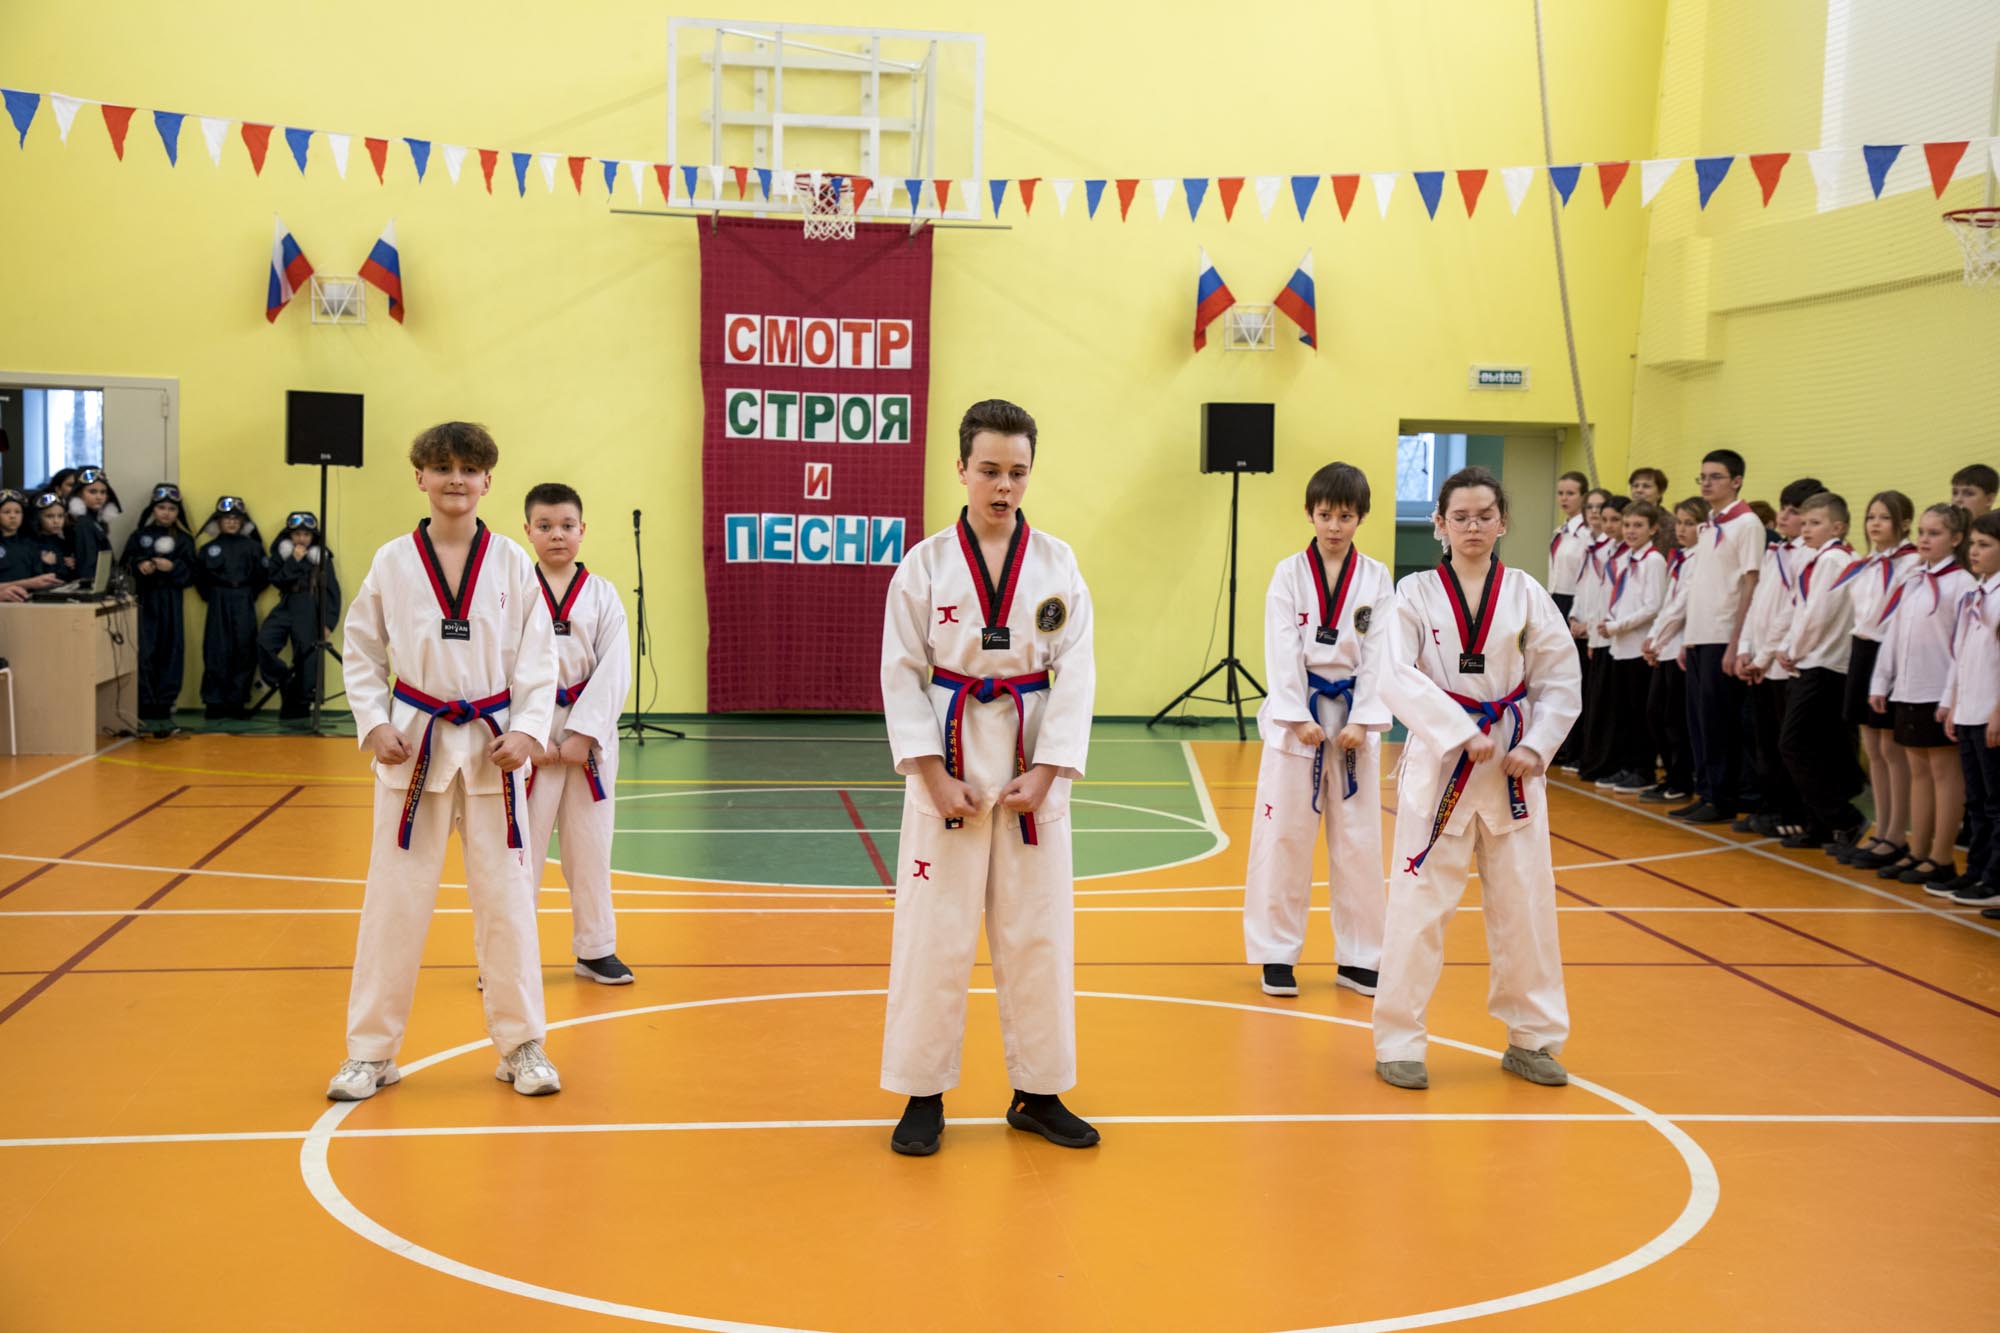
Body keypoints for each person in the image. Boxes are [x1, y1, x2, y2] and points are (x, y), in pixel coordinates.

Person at [878, 398, 1097, 1156]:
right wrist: (932, 775)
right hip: (949, 755)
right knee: (933, 931)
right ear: (962, 469)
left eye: (1018, 472)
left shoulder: (1057, 563)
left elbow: (1077, 672)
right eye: (990, 470)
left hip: (1032, 761)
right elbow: (900, 673)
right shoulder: (925, 565)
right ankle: (922, 1092)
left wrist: (1050, 771)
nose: (1004, 486)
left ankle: (1039, 1091)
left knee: (1038, 928)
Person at [328, 420, 560, 1102]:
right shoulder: (392, 561)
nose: (455, 479)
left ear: (488, 480)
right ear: (420, 477)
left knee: (508, 903)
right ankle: (371, 1052)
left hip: (493, 749)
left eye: (468, 469)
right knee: (393, 902)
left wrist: (529, 730)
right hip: (415, 745)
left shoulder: (512, 562)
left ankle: (522, 1045)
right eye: (442, 467)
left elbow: (538, 659)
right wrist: (374, 722)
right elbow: (361, 650)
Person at [1374, 466, 1582, 1091]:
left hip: (1511, 767)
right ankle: (1399, 1041)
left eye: (1485, 516)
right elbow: (1394, 674)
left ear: (1503, 522)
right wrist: (1457, 731)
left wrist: (1538, 745)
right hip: (1442, 769)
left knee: (1526, 909)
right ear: (1439, 523)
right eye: (1460, 517)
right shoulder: (1412, 594)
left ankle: (1533, 1039)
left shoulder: (1525, 593)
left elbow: (1559, 678)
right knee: (1418, 909)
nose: (1473, 527)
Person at [1242, 461, 1394, 999]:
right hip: (1298, 718)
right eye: (1325, 515)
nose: (1334, 526)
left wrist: (1364, 718)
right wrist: (1296, 716)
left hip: (1352, 719)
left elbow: (1380, 652)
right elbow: (1280, 647)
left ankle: (1361, 956)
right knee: (1284, 838)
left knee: (1359, 843)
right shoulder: (1288, 574)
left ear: (1361, 518)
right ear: (1309, 513)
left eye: (1345, 516)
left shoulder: (1376, 577)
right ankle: (1276, 953)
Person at [521, 482, 634, 985]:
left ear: (582, 530)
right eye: (545, 526)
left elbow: (615, 669)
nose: (557, 535)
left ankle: (595, 949)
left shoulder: (603, 595)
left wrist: (584, 735)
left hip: (588, 741)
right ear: (528, 531)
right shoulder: (515, 592)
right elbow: (499, 669)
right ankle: (508, 954)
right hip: (531, 738)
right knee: (518, 851)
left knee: (590, 848)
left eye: (567, 525)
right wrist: (530, 735)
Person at [1868, 504, 1975, 887]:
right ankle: (1918, 850)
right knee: (1917, 773)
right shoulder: (1914, 578)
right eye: (1923, 532)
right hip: (1908, 688)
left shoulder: (1962, 583)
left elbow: (1962, 646)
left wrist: (1949, 696)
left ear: (1956, 539)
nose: (1924, 540)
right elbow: (1894, 634)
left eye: (1935, 533)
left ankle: (1941, 856)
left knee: (1944, 774)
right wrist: (1882, 681)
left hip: (1938, 690)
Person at [1831, 492, 1920, 868]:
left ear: (1904, 523)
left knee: (1891, 750)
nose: (1875, 524)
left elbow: (1898, 618)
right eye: (1871, 517)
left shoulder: (1911, 563)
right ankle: (1882, 829)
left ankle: (1897, 834)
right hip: (1862, 650)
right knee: (1873, 749)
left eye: (1884, 517)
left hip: (1889, 653)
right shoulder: (1866, 564)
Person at [1674, 449, 1764, 824]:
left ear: (1736, 481)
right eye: (1703, 477)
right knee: (1699, 721)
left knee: (1719, 722)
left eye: (1716, 477)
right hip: (1700, 636)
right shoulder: (1709, 525)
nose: (1707, 483)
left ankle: (1724, 797)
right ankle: (1707, 791)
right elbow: (1701, 586)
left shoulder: (1747, 524)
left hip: (1723, 636)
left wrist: (1736, 642)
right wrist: (1687, 638)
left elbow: (1750, 582)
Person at [1773, 493, 1864, 848]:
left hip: (1823, 663)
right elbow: (1802, 609)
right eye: (1805, 522)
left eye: (1815, 523)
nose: (1806, 528)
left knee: (1793, 744)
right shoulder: (1819, 559)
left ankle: (1844, 817)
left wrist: (1793, 650)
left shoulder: (1832, 560)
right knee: (1816, 747)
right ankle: (1822, 825)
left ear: (1837, 527)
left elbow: (1818, 616)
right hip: (1813, 660)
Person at [1734, 477, 1823, 838]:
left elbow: (1791, 614)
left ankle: (1793, 812)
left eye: (1794, 511)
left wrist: (1766, 655)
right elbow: (1757, 604)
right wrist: (1745, 648)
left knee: (1787, 746)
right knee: (1764, 743)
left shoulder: (1808, 556)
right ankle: (1771, 807)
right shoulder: (1776, 551)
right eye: (1783, 509)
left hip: (1781, 664)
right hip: (1760, 660)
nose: (1784, 516)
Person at [1930, 511, 2000, 907]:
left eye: (1985, 545)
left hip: (1991, 714)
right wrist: (1953, 703)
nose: (1974, 551)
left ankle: (1995, 880)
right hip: (1970, 711)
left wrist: (1997, 712)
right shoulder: (1976, 593)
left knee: (1995, 804)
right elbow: (1961, 655)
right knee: (1975, 802)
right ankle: (1976, 870)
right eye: (1973, 544)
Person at [1640, 498, 1709, 804]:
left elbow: (1682, 607)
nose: (1681, 529)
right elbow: (1668, 604)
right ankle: (1670, 774)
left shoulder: (1700, 560)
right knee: (1656, 714)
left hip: (1680, 646)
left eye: (1689, 523)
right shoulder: (1680, 558)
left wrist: (1657, 639)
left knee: (1674, 720)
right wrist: (1654, 638)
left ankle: (1681, 779)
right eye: (1679, 522)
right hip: (1664, 647)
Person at [1596, 501, 1667, 794]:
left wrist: (1617, 625)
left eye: (1638, 525)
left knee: (1640, 714)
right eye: (1627, 525)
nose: (1630, 531)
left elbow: (1653, 606)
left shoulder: (1653, 560)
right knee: (1623, 712)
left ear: (1653, 529)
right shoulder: (1627, 558)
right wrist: (1610, 620)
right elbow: (1623, 596)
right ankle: (1627, 766)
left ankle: (1643, 770)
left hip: (1639, 647)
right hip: (1621, 647)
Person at [122, 483, 196, 736]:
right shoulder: (139, 536)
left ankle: (164, 702)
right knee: (144, 648)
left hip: (171, 598)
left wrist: (172, 568)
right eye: (161, 507)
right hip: (145, 598)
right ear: (153, 509)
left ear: (178, 512)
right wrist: (140, 564)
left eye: (171, 509)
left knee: (170, 648)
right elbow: (125, 562)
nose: (166, 513)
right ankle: (144, 701)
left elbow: (192, 573)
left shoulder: (184, 540)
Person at [258, 512, 342, 725]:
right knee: (264, 642)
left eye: (306, 534)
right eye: (297, 534)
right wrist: (293, 560)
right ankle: (284, 680)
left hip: (309, 607)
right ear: (290, 535)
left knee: (307, 655)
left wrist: (328, 622)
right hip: (287, 603)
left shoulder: (321, 558)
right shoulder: (282, 553)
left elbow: (332, 591)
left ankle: (301, 703)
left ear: (313, 537)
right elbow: (276, 579)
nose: (302, 539)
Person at [195, 497, 268, 721]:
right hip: (218, 599)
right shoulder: (208, 548)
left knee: (244, 649)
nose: (232, 522)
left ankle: (238, 701)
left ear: (243, 522)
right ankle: (214, 701)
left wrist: (247, 594)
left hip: (244, 598)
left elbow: (263, 576)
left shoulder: (253, 547)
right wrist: (214, 596)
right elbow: (200, 578)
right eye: (227, 518)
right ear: (218, 521)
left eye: (236, 519)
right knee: (216, 650)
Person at [1576, 493, 1628, 783]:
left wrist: (1601, 630)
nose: (1608, 525)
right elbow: (1593, 593)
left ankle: (1609, 764)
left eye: (1614, 520)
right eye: (1605, 519)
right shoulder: (1606, 550)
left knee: (1612, 707)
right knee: (1596, 702)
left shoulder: (1626, 555)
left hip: (1614, 635)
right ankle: (1594, 760)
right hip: (1600, 635)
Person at [1548, 472, 1591, 769]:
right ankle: (1559, 743)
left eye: (1571, 493)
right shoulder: (1560, 530)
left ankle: (1576, 746)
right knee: (1556, 674)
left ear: (1584, 497)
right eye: (1561, 492)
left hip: (1575, 602)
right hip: (1556, 600)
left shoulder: (1586, 534)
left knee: (1575, 676)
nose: (1564, 498)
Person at [0, 489, 62, 601]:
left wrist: (48, 566)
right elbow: (33, 582)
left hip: (27, 602)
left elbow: (40, 580)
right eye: (6, 512)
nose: (13, 516)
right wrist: (29, 583)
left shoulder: (30, 544)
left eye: (17, 512)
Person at [66, 467, 121, 583]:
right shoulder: (83, 523)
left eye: (103, 492)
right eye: (92, 492)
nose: (99, 497)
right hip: (90, 585)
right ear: (79, 494)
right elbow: (87, 564)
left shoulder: (96, 521)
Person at [27, 490, 76, 583]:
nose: (56, 521)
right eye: (49, 516)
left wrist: (71, 565)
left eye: (60, 516)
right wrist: (45, 564)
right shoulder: (30, 544)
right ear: (37, 518)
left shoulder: (63, 543)